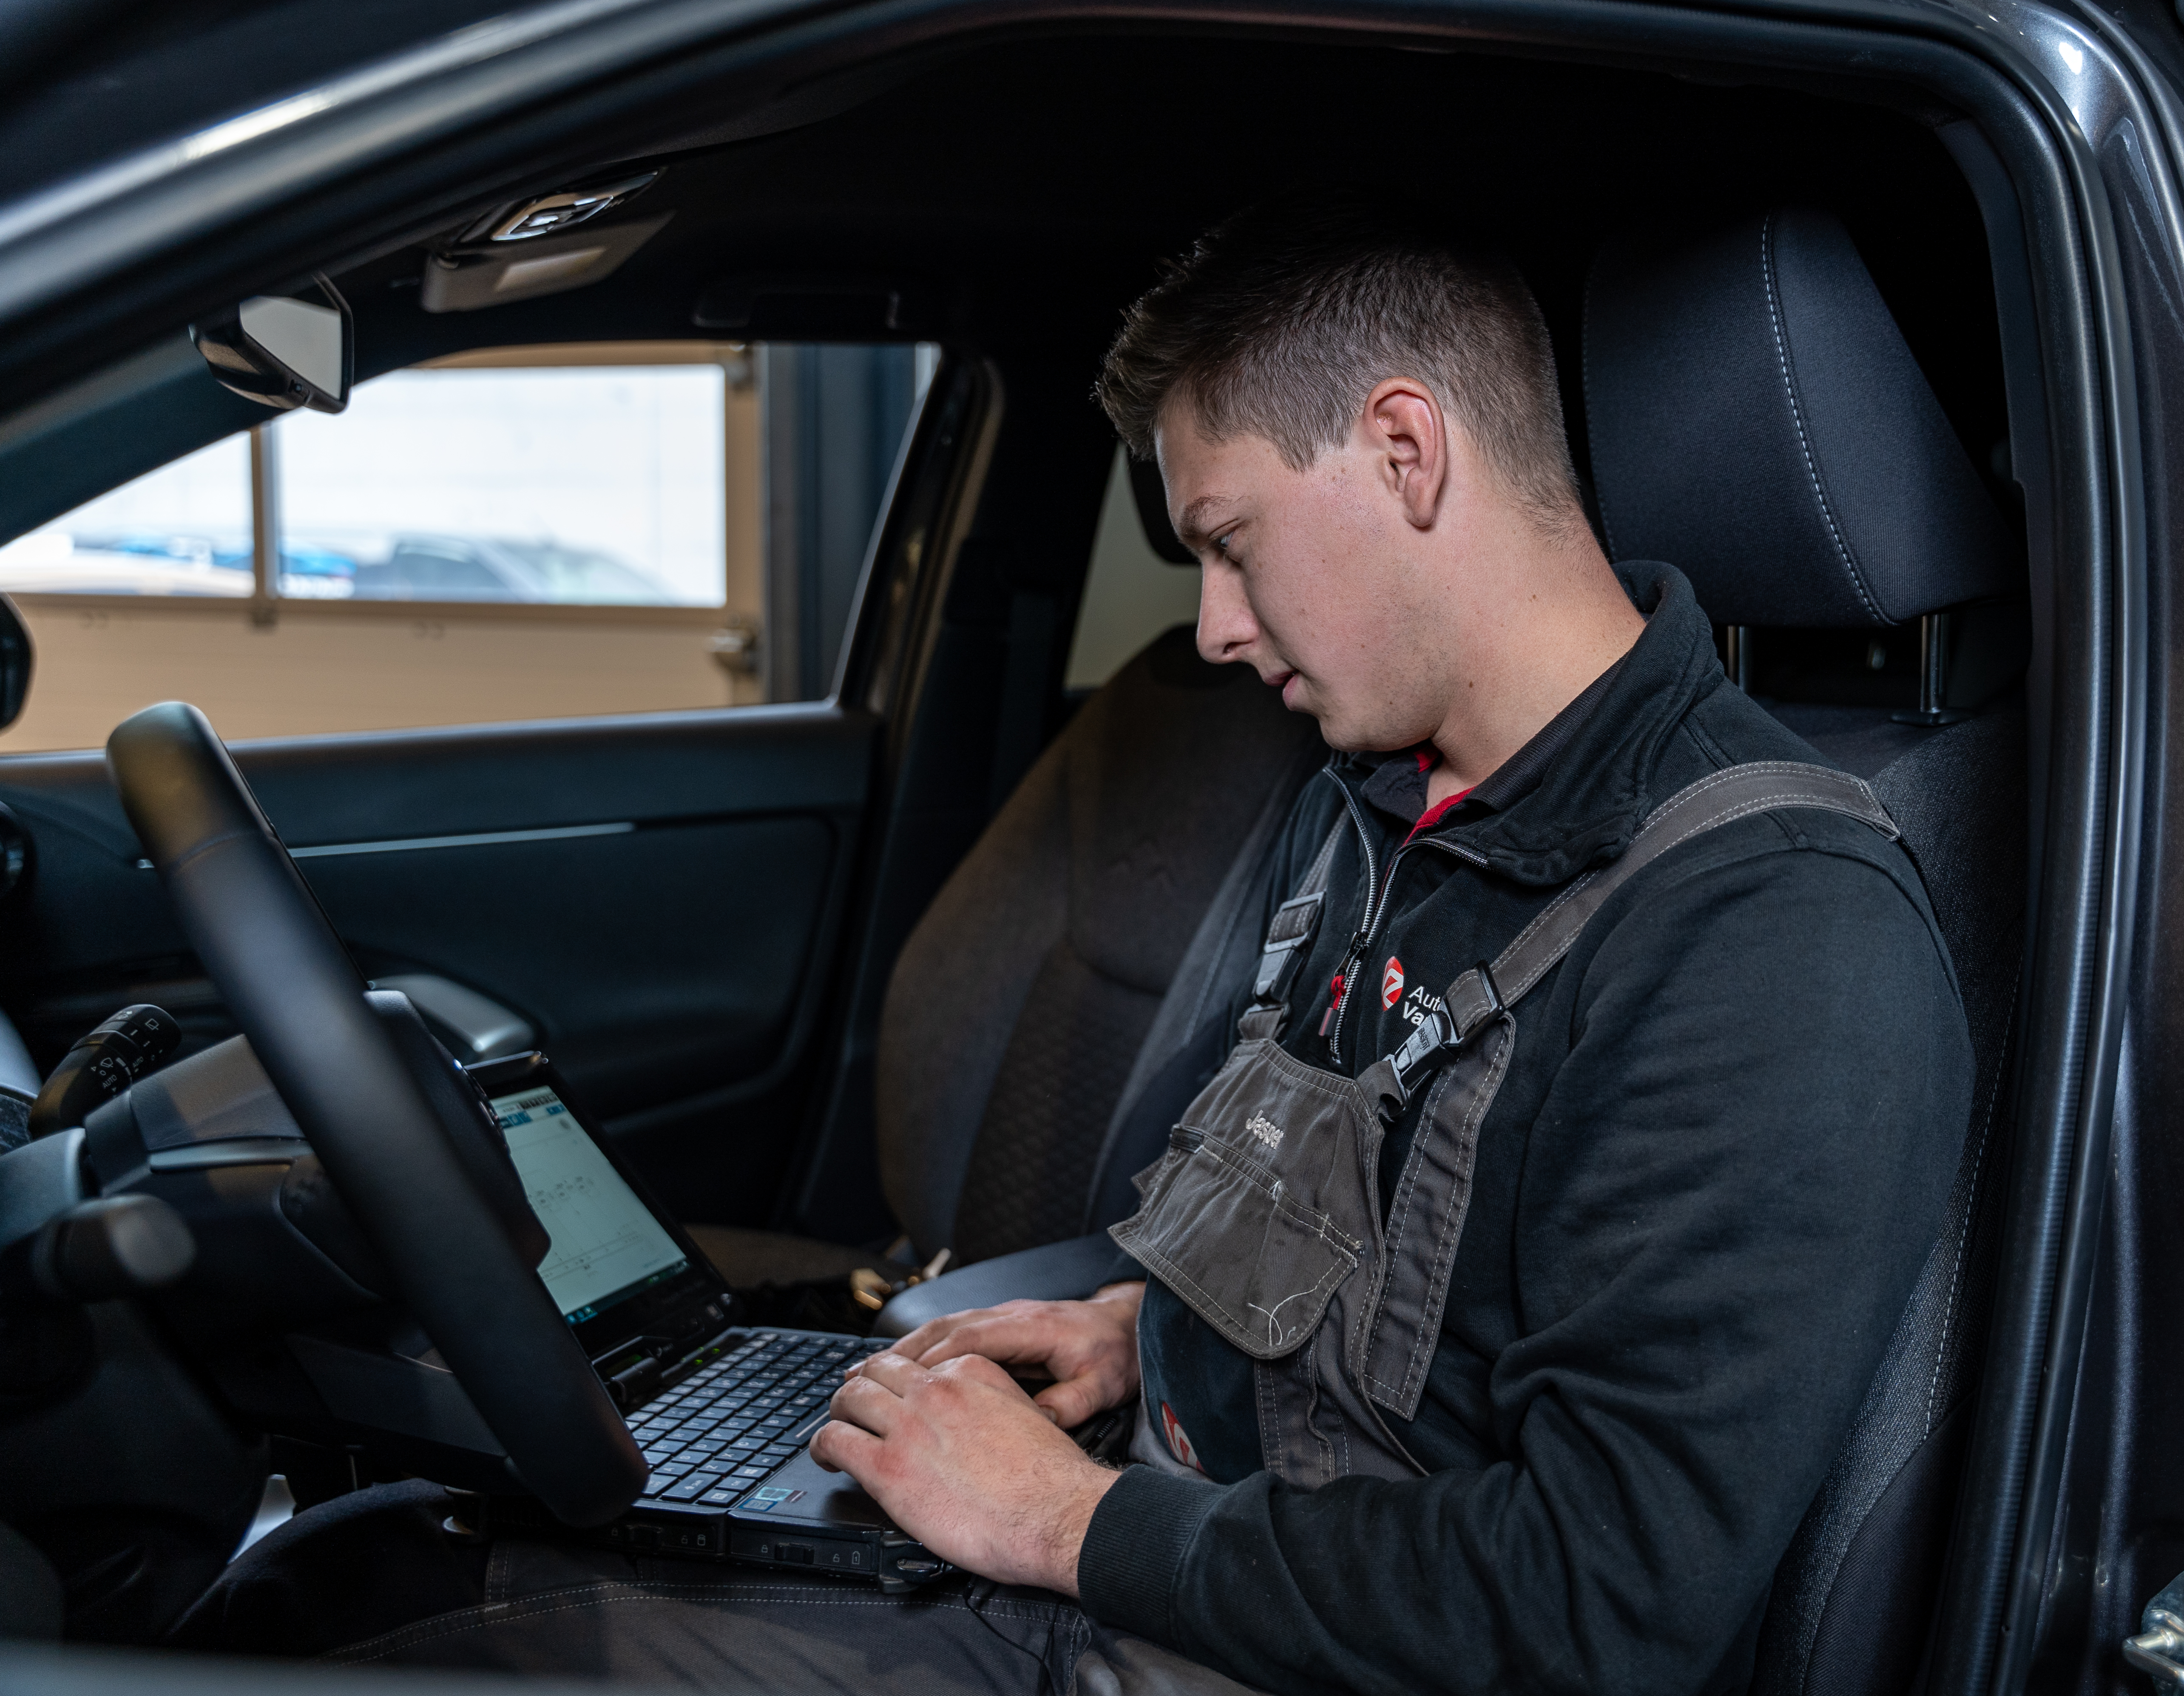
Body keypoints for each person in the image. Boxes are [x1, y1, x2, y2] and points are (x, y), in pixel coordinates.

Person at [176, 200, 1971, 1696]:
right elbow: (1385, 1276)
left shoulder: (1768, 931)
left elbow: (1601, 1607)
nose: (1207, 626)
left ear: (1407, 450)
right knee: (355, 1565)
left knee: (367, 1634)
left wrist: (1058, 1522)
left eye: (1231, 542)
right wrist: (1139, 1340)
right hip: (1168, 1547)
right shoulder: (1396, 805)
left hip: (1229, 1640)